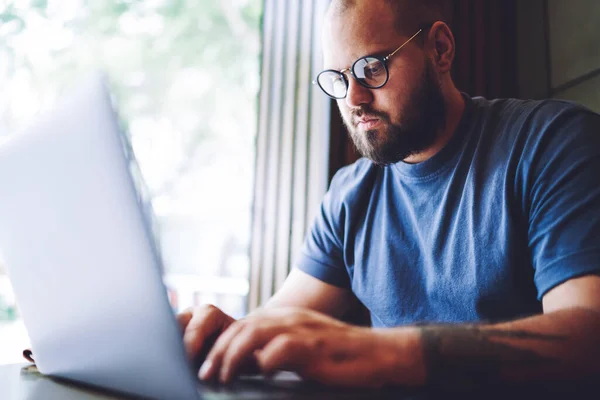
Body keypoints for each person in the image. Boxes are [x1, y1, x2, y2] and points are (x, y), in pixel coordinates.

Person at [178, 0, 600, 389]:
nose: (354, 98)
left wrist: (375, 349)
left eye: (371, 68)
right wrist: (216, 339)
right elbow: (276, 327)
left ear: (439, 49)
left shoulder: (551, 143)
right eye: (339, 78)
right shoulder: (349, 194)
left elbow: (589, 335)